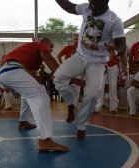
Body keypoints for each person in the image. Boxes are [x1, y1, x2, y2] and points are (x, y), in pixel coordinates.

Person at [54, 0, 127, 140]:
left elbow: (122, 44)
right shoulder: (86, 7)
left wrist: (116, 52)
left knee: (93, 94)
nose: (90, 7)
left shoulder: (114, 21)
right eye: (89, 2)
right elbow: (69, 7)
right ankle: (71, 103)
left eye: (93, 4)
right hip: (80, 56)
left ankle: (81, 125)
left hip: (97, 62)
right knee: (58, 78)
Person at [0, 38, 69, 152]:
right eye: (51, 47)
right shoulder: (40, 45)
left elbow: (32, 76)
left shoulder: (29, 55)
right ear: (46, 44)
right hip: (12, 70)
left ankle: (23, 121)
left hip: (5, 72)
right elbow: (49, 58)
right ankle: (45, 139)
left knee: (30, 92)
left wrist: (48, 76)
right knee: (41, 95)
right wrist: (62, 74)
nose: (51, 50)